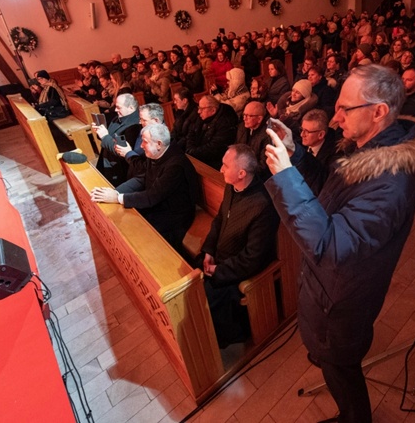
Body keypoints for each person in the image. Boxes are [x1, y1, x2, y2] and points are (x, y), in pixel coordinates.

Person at [263, 64, 415, 423]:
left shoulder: (389, 183)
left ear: (379, 111)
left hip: (342, 299)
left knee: (342, 370)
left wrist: (284, 176)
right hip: (328, 290)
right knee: (334, 362)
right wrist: (296, 155)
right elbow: (326, 197)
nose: (335, 118)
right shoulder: (364, 147)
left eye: (345, 108)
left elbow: (332, 246)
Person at [195, 144, 279, 347]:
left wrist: (218, 270)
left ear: (241, 173)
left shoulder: (262, 205)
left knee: (204, 301)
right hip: (220, 257)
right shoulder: (232, 187)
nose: (220, 169)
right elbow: (220, 219)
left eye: (225, 165)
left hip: (238, 269)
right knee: (192, 283)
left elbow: (253, 257)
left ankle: (221, 340)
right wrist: (208, 251)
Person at [90, 123, 198, 260]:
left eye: (145, 142)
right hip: (158, 205)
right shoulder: (158, 153)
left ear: (159, 144)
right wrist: (117, 192)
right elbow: (142, 169)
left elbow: (151, 197)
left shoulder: (175, 165)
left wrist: (117, 197)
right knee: (123, 221)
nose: (141, 146)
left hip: (174, 215)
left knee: (140, 237)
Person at [92, 93, 141, 186]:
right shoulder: (120, 117)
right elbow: (109, 134)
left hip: (117, 169)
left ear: (131, 108)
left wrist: (104, 136)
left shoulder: (134, 126)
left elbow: (122, 151)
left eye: (118, 107)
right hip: (107, 161)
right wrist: (100, 132)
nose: (115, 110)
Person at [185, 95, 238, 169]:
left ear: (213, 110)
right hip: (198, 154)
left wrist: (192, 152)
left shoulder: (225, 122)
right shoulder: (204, 116)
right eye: (199, 108)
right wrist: (190, 149)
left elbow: (214, 149)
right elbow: (191, 133)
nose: (198, 111)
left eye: (202, 109)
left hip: (216, 161)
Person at [236, 101, 271, 179]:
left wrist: (244, 172)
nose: (244, 118)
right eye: (244, 115)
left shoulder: (267, 136)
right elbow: (236, 149)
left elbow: (263, 166)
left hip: (256, 176)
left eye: (248, 116)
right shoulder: (242, 127)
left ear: (259, 119)